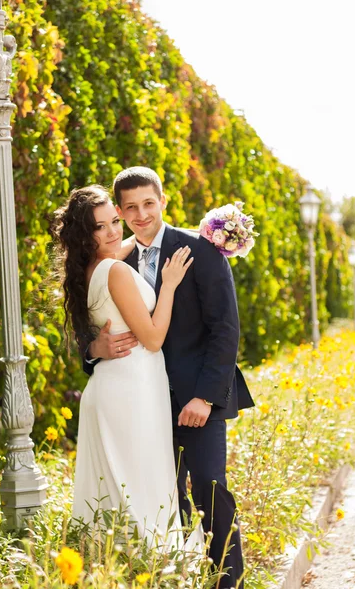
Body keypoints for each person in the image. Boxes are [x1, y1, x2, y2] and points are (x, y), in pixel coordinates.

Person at [85, 167, 255, 588]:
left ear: (163, 200)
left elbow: (225, 329)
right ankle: (179, 578)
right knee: (164, 498)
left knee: (210, 490)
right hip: (142, 401)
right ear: (121, 212)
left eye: (148, 203)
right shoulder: (114, 259)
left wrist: (205, 397)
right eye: (130, 207)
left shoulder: (201, 249)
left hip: (197, 398)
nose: (141, 214)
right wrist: (92, 351)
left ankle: (228, 581)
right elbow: (89, 324)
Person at [52, 185, 195, 550]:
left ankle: (118, 569)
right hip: (132, 390)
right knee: (143, 487)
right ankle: (156, 567)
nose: (114, 231)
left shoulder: (89, 267)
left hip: (114, 387)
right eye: (101, 227)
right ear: (87, 235)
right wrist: (169, 286)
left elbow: (132, 242)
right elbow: (151, 338)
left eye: (115, 221)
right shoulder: (114, 270)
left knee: (121, 492)